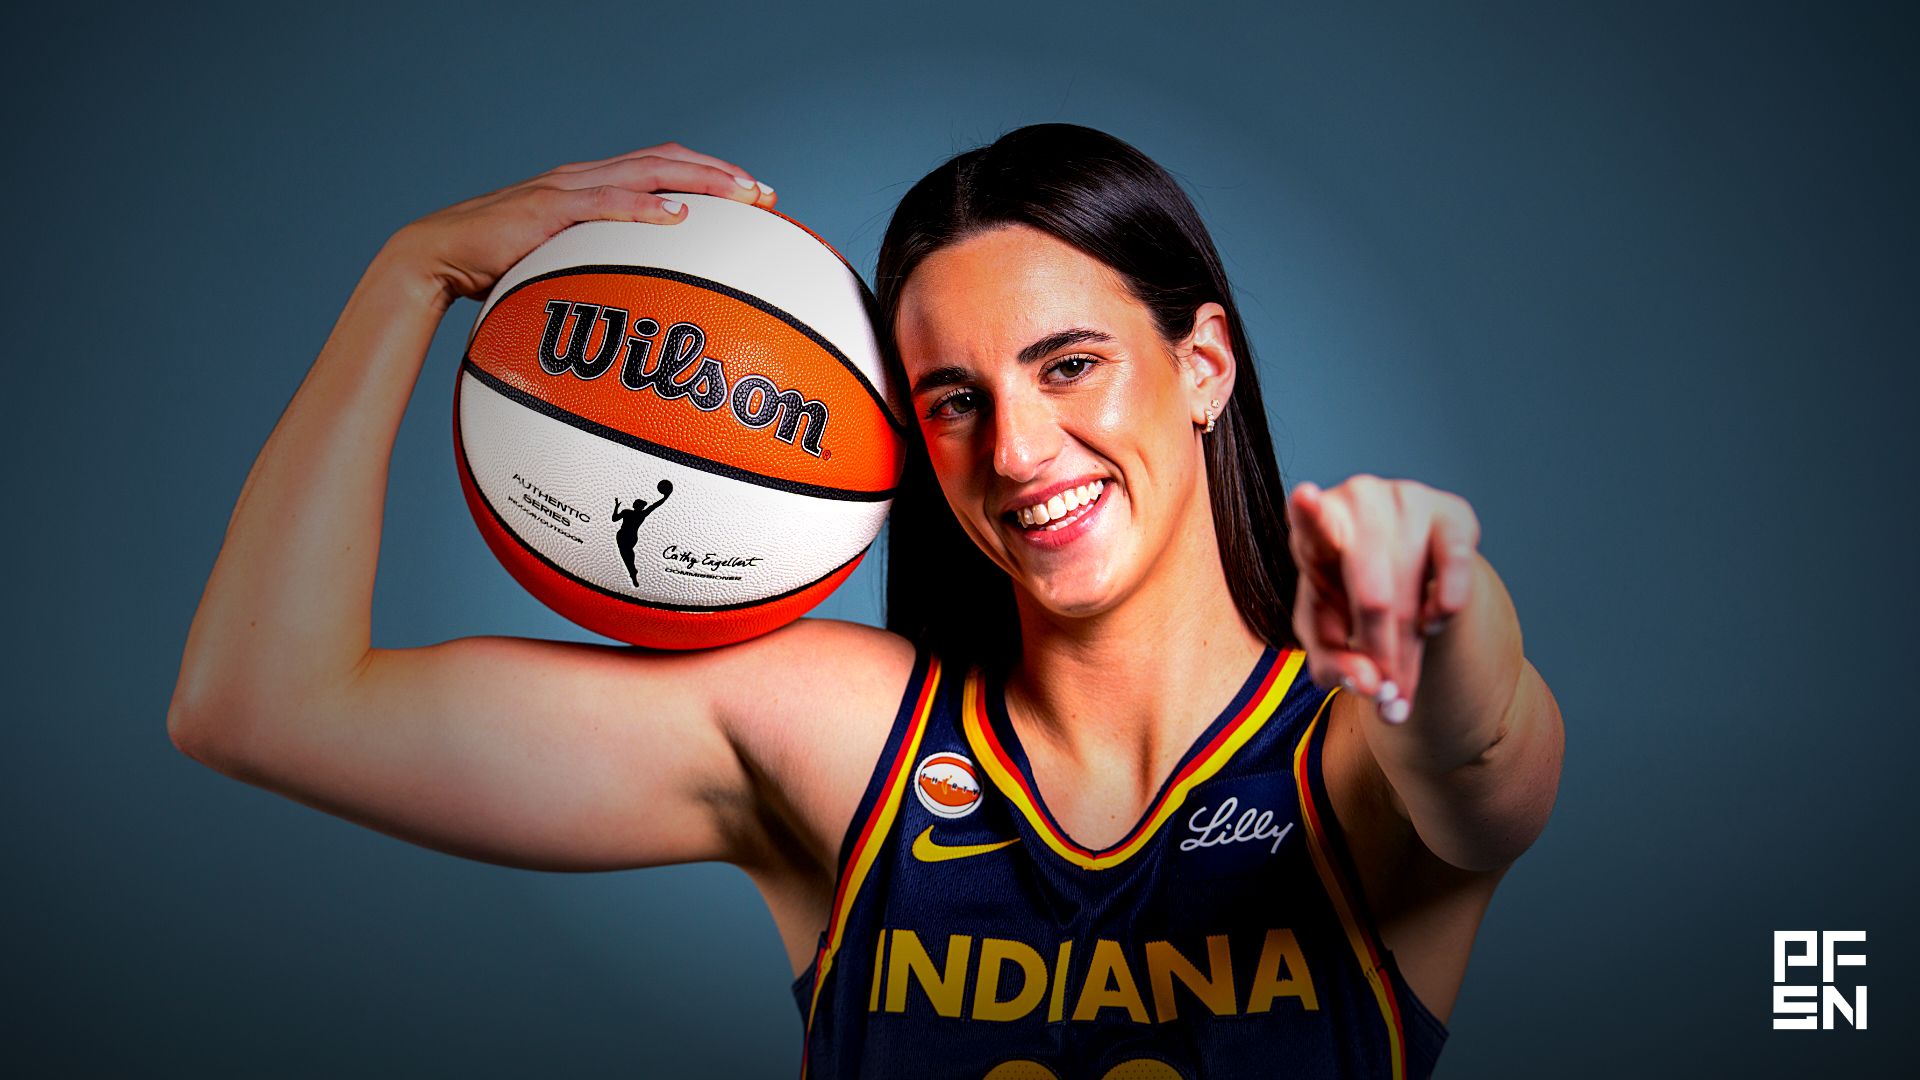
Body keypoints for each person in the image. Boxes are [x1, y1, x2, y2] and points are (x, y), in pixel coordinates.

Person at [169, 128, 1563, 1079]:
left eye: (1068, 364)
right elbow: (262, 707)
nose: (1015, 451)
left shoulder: (1349, 760)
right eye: (956, 400)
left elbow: (1481, 752)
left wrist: (1432, 619)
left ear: (1205, 365)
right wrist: (409, 273)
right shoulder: (844, 739)